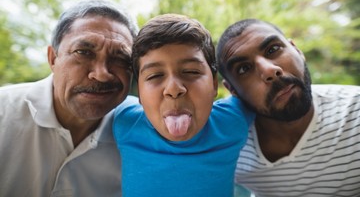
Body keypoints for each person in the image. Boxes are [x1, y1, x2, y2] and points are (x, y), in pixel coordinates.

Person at [0, 0, 138, 196]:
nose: (101, 74)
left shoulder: (142, 128)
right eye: (83, 52)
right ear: (53, 58)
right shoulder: (3, 113)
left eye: (120, 58)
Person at [113, 14, 254, 197]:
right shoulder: (123, 119)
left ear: (213, 85)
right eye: (155, 76)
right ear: (139, 93)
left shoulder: (233, 119)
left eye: (190, 71)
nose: (173, 89)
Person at [216, 18, 360, 197]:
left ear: (297, 50)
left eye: (273, 49)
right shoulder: (227, 146)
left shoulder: (356, 110)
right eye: (244, 69)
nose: (269, 70)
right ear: (232, 90)